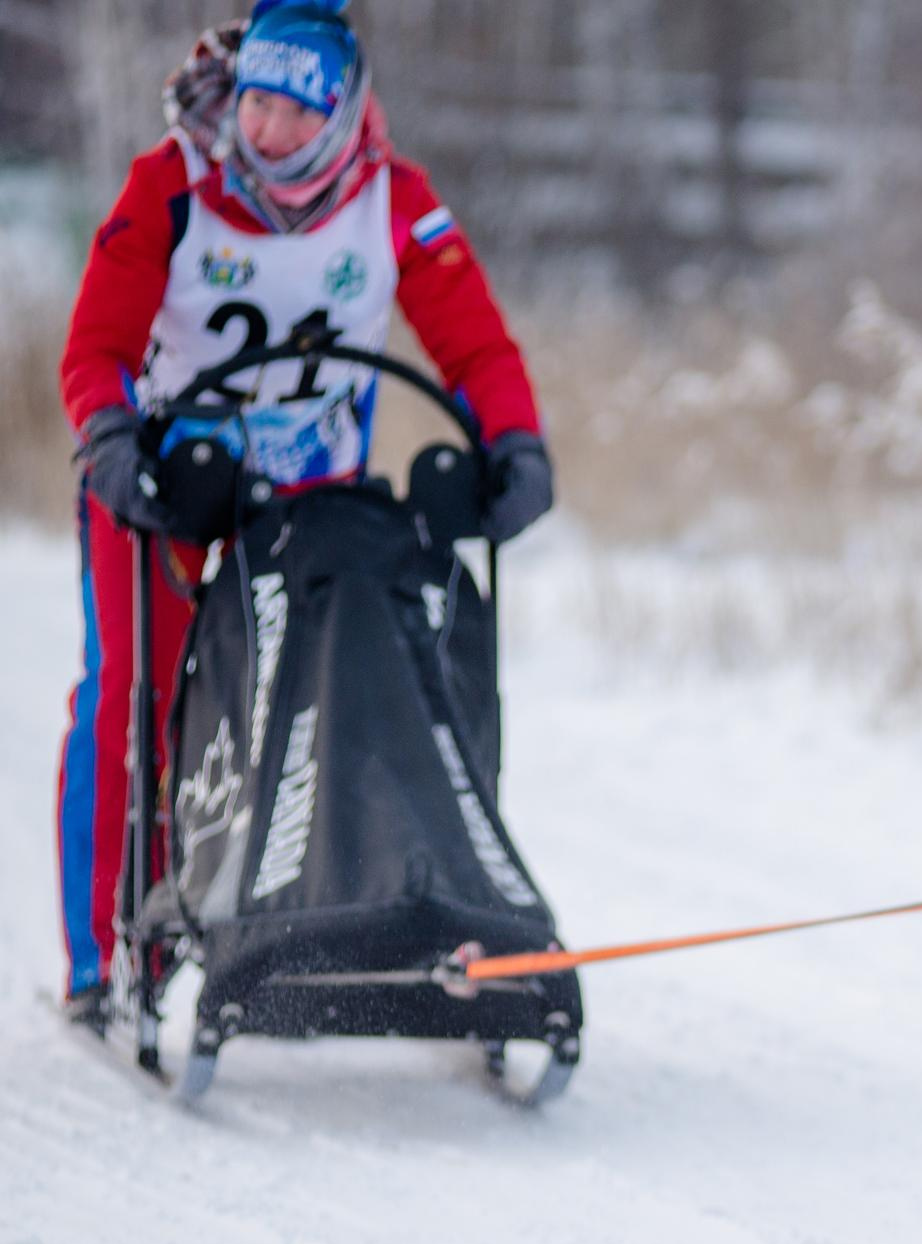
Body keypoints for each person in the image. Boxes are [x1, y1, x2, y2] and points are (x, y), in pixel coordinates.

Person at [55, 0, 554, 1023]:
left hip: (312, 499)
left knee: (336, 701)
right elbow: (94, 347)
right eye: (255, 104)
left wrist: (515, 441)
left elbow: (475, 349)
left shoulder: (395, 200)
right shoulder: (171, 185)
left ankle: (333, 917)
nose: (267, 133)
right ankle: (106, 949)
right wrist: (108, 439)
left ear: (341, 115)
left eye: (295, 111)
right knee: (130, 705)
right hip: (163, 488)